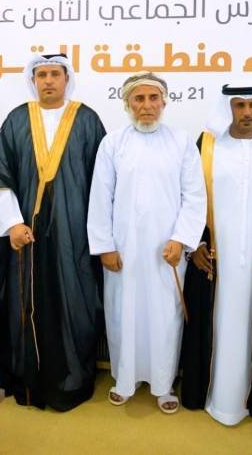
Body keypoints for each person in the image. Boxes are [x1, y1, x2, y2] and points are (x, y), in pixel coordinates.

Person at [0, 53, 107, 411]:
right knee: (26, 303)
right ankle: (30, 381)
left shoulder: (86, 119)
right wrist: (12, 223)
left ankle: (73, 379)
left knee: (76, 301)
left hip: (75, 235)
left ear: (66, 78)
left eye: (55, 74)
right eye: (42, 75)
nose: (49, 81)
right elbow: (1, 176)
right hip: (27, 233)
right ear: (33, 80)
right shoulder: (16, 119)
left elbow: (103, 182)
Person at [179, 81, 252, 424]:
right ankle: (215, 396)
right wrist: (195, 243)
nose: (247, 112)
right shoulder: (207, 146)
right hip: (216, 259)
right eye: (239, 105)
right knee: (216, 324)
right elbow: (188, 196)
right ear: (227, 108)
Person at [87, 72, 205, 414]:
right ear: (128, 104)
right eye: (138, 99)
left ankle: (163, 385)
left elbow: (195, 196)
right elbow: (100, 198)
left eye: (153, 98)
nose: (147, 105)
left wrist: (181, 239)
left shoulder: (182, 142)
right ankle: (124, 380)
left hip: (167, 251)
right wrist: (105, 246)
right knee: (122, 313)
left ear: (164, 102)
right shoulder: (113, 143)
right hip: (123, 249)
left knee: (165, 316)